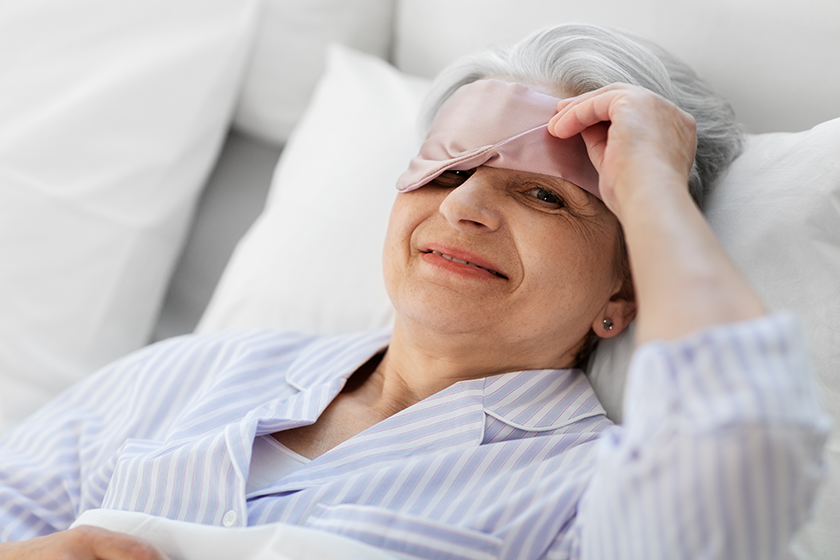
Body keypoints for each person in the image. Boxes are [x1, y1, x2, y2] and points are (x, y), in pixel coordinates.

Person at [0, 23, 828, 560]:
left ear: (629, 288)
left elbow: (742, 448)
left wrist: (650, 187)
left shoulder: (589, 496)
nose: (464, 207)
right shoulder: (180, 377)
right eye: (448, 168)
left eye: (545, 195)